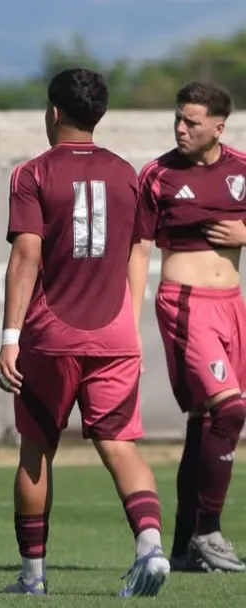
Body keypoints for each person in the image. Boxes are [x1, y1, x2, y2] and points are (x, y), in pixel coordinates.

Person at [0, 68, 170, 597]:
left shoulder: (32, 173)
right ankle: (150, 547)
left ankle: (33, 578)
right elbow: (141, 251)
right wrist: (130, 328)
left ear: (52, 112)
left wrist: (9, 336)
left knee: (36, 448)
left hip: (51, 337)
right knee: (120, 444)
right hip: (115, 336)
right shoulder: (129, 174)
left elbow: (25, 255)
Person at [133, 81, 246, 574]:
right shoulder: (156, 175)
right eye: (178, 119)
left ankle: (181, 549)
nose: (181, 128)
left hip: (232, 304)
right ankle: (208, 532)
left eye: (192, 122)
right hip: (185, 304)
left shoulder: (242, 169)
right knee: (231, 410)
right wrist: (127, 317)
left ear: (218, 127)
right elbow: (138, 250)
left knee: (204, 424)